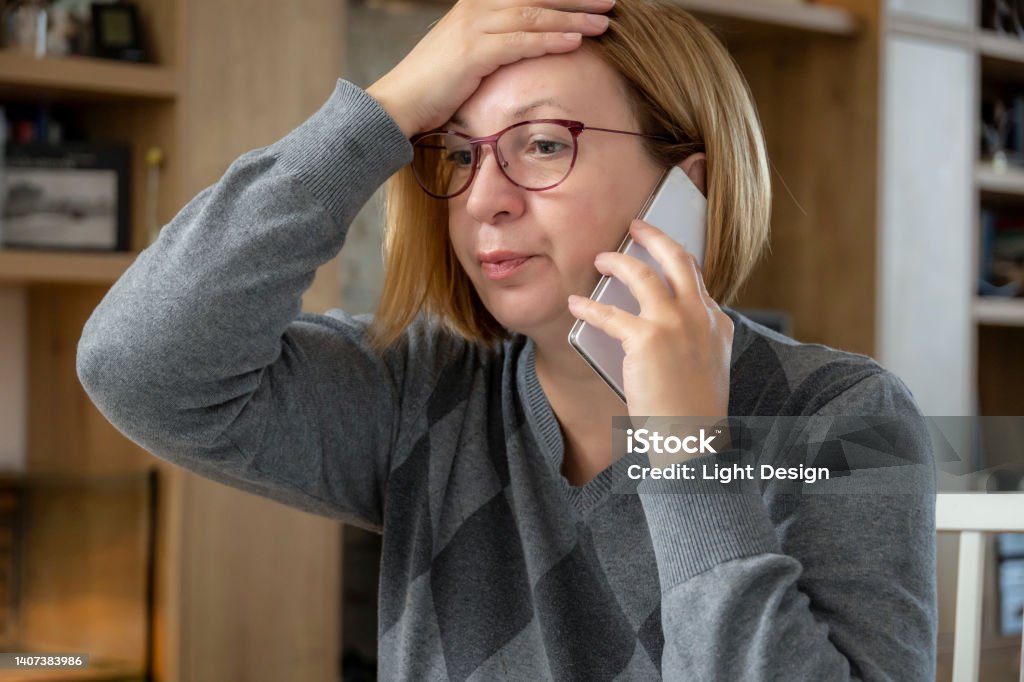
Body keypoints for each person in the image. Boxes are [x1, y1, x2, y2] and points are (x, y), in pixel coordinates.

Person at [76, 0, 938, 679]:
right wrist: (387, 107)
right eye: (457, 154)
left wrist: (686, 459)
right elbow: (140, 365)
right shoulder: (421, 391)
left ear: (689, 183)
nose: (485, 197)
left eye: (539, 144)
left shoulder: (843, 419)